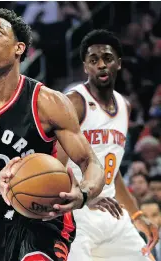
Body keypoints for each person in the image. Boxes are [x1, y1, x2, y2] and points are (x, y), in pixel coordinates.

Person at [0, 9, 120, 261]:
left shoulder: (48, 102)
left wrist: (85, 193)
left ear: (19, 48)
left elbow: (90, 163)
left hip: (43, 221)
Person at [56, 29, 159, 261]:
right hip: (77, 214)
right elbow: (55, 165)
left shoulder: (125, 106)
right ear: (85, 67)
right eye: (94, 60)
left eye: (107, 58)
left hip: (112, 213)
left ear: (119, 64)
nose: (101, 65)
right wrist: (84, 195)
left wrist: (137, 214)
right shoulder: (74, 102)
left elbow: (114, 175)